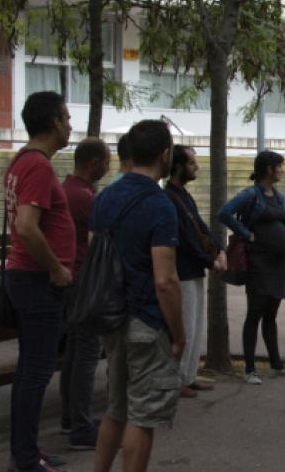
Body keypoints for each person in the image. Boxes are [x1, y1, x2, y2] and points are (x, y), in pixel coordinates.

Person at [91, 120, 186, 472]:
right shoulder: (160, 205)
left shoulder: (105, 197)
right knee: (143, 417)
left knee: (116, 410)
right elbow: (165, 280)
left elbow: (94, 257)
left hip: (112, 318)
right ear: (165, 154)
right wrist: (179, 335)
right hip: (146, 321)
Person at [4, 91, 75, 472]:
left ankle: (25, 451)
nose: (70, 125)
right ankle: (26, 459)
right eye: (67, 117)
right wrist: (56, 268)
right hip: (37, 281)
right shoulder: (38, 166)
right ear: (53, 122)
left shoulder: (22, 161)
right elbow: (27, 227)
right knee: (36, 372)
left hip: (27, 278)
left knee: (28, 371)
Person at [218, 150, 285, 385]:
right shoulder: (251, 194)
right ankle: (250, 369)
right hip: (257, 262)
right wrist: (246, 234)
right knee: (254, 313)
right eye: (279, 166)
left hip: (277, 264)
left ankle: (276, 365)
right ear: (268, 169)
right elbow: (224, 213)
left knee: (271, 316)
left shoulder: (279, 197)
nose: (282, 170)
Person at [58, 137, 110, 451]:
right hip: (83, 282)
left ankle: (71, 418)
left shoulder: (67, 189)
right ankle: (81, 425)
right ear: (94, 163)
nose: (109, 167)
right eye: (106, 161)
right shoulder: (84, 197)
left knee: (75, 352)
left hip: (71, 281)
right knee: (87, 354)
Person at [164, 144, 227, 398]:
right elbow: (185, 239)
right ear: (178, 166)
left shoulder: (183, 195)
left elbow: (200, 227)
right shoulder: (170, 197)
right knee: (186, 327)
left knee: (195, 325)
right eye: (191, 163)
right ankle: (177, 379)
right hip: (183, 272)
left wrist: (219, 250)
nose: (196, 167)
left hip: (194, 271)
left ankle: (188, 376)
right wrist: (211, 261)